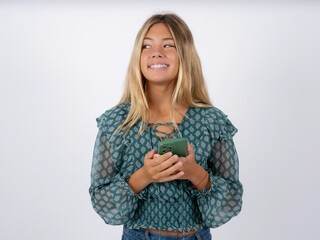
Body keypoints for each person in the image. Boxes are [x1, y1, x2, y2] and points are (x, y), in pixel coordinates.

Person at [89, 13, 243, 240]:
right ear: (138, 57)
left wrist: (196, 174)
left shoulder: (212, 122)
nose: (156, 52)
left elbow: (230, 203)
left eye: (168, 45)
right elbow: (102, 202)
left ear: (185, 54)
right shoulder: (116, 123)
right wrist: (144, 176)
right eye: (146, 45)